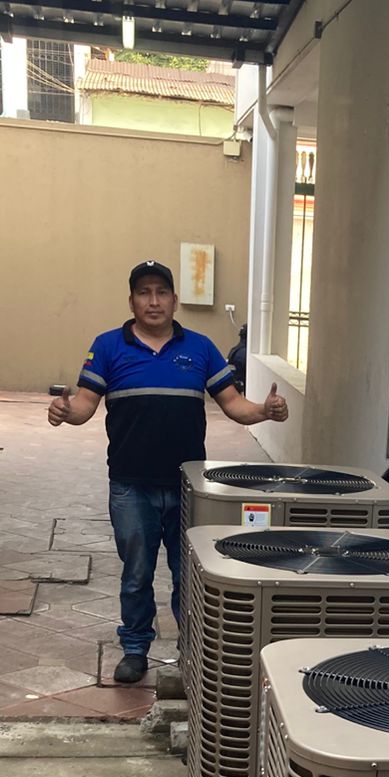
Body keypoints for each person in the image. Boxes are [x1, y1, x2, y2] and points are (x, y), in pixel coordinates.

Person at [48, 261, 288, 683]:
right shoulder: (108, 346)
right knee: (136, 573)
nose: (153, 301)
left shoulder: (200, 348)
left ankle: (190, 652)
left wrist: (265, 410)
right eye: (144, 292)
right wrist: (65, 412)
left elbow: (233, 404)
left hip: (188, 486)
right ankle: (135, 648)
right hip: (131, 485)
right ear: (132, 301)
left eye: (161, 292)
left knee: (189, 575)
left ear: (175, 300)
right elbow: (84, 405)